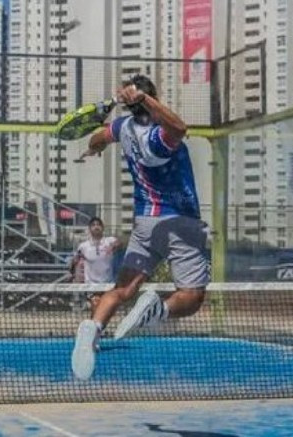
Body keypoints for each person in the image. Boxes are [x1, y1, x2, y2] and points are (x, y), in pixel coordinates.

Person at [72, 74, 210, 380]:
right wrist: (144, 99)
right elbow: (180, 128)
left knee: (121, 290)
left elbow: (98, 137)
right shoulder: (159, 139)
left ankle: (93, 327)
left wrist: (95, 147)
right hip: (180, 223)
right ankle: (158, 309)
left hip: (145, 224)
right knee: (192, 296)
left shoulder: (124, 128)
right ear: (152, 99)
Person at [70, 217, 120, 317]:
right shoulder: (83, 246)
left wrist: (113, 246)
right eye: (93, 225)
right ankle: (93, 325)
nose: (96, 227)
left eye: (98, 225)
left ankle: (95, 325)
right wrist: (72, 273)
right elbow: (75, 260)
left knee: (105, 313)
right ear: (89, 228)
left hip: (108, 284)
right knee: (96, 307)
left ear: (102, 228)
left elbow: (119, 242)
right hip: (92, 285)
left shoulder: (109, 241)